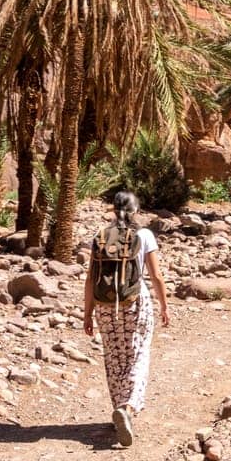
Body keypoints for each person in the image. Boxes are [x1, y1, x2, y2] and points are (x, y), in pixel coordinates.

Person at [82, 191, 170, 447]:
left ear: (113, 210)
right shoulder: (144, 235)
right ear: (136, 211)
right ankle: (128, 408)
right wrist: (164, 305)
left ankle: (118, 406)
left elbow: (90, 278)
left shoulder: (100, 237)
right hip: (135, 302)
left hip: (105, 306)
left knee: (114, 356)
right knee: (137, 354)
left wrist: (87, 313)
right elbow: (156, 276)